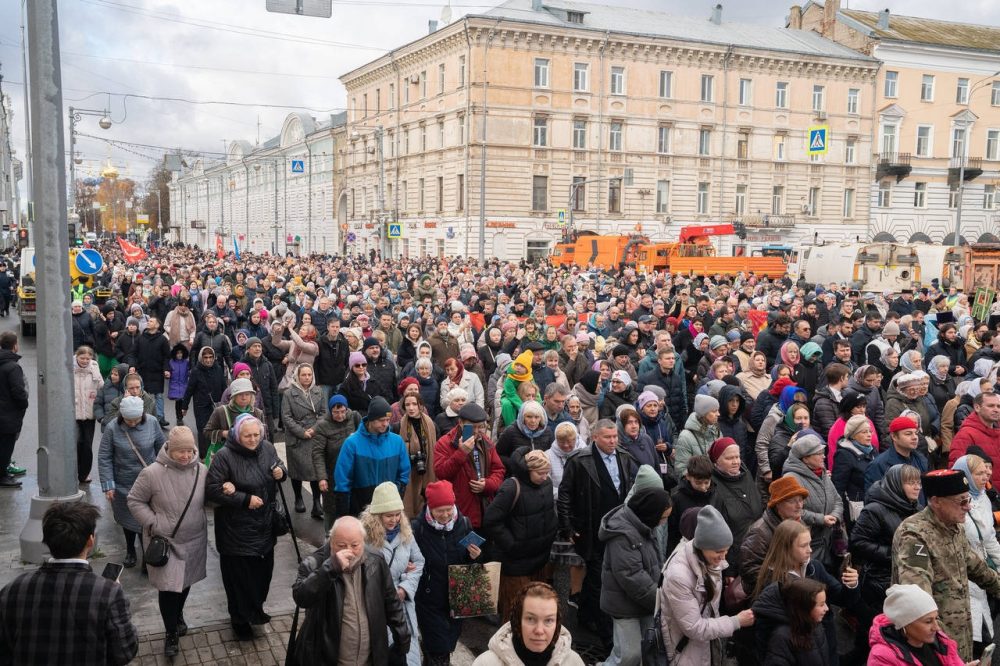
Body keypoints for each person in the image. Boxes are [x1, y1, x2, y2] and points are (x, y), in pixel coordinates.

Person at [0, 502, 138, 664]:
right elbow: (125, 652)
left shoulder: (13, 589)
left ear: (46, 540)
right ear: (90, 541)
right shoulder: (108, 593)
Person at [892, 468, 1000, 661]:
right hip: (934, 642)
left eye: (969, 499)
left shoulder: (954, 526)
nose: (968, 507)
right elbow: (918, 598)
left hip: (960, 634)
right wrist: (941, 646)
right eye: (962, 501)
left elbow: (977, 568)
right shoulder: (914, 535)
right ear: (936, 502)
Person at [126, 426, 208, 657]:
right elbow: (134, 500)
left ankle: (178, 615)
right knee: (168, 589)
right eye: (180, 451)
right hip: (166, 542)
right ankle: (170, 632)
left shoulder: (201, 471)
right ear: (169, 450)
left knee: (184, 584)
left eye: (189, 451)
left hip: (193, 539)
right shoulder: (152, 473)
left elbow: (209, 500)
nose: (185, 456)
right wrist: (153, 523)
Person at [204, 413, 287, 641]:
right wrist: (243, 499)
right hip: (235, 532)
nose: (253, 439)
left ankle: (255, 610)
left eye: (256, 435)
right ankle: (240, 620)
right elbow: (212, 489)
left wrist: (281, 472)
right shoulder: (224, 457)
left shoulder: (268, 448)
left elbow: (277, 466)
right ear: (236, 435)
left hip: (264, 526)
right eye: (247, 435)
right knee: (240, 581)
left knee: (263, 576)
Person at [557, 418, 638, 645]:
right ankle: (604, 631)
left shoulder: (623, 456)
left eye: (615, 437)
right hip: (590, 528)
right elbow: (565, 494)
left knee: (604, 575)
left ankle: (585, 614)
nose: (613, 441)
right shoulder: (579, 460)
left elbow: (628, 489)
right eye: (607, 437)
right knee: (597, 577)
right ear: (595, 437)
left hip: (617, 527)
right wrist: (567, 527)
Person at [291, 514, 411, 665]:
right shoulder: (314, 563)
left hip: (370, 659)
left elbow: (392, 602)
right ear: (331, 541)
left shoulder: (376, 560)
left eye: (355, 545)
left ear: (363, 541)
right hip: (331, 659)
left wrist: (402, 640)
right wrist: (330, 568)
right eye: (341, 546)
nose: (349, 551)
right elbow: (301, 597)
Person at [751, 520, 859, 666]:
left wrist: (851, 585)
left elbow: (843, 598)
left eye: (810, 543)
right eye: (803, 546)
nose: (810, 550)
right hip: (796, 654)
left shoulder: (815, 567)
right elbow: (765, 632)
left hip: (824, 643)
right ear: (786, 548)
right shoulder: (772, 581)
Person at [660, 505, 755, 666]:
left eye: (726, 550)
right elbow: (694, 627)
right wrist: (735, 621)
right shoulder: (679, 575)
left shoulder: (709, 560)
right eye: (719, 551)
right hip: (684, 649)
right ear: (702, 546)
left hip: (705, 643)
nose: (723, 557)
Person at [599, 485, 671, 666]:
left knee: (644, 650)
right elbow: (631, 577)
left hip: (644, 601)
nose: (663, 522)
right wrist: (661, 599)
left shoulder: (644, 524)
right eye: (662, 518)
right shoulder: (623, 535)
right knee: (628, 656)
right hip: (624, 604)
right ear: (650, 513)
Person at [482, 449, 558, 620]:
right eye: (540, 473)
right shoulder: (511, 487)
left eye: (547, 472)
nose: (545, 477)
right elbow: (491, 521)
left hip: (540, 560)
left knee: (535, 610)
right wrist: (512, 545)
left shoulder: (546, 483)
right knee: (515, 611)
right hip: (515, 563)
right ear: (528, 470)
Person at [413, 480, 482, 665]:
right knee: (439, 647)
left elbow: (468, 563)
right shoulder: (417, 528)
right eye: (439, 511)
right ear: (430, 508)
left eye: (448, 509)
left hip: (457, 597)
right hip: (429, 597)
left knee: (448, 642)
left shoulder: (464, 523)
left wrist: (474, 557)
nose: (445, 515)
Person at [360, 482, 425, 666]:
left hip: (402, 608)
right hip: (375, 607)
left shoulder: (406, 533)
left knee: (406, 656)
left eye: (398, 514)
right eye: (389, 515)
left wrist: (404, 587)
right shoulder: (363, 537)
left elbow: (419, 562)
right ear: (377, 514)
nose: (394, 520)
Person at [99, 395, 166, 570]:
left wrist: (166, 472)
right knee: (127, 519)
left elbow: (162, 448)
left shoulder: (152, 423)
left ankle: (147, 555)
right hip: (123, 484)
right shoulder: (112, 428)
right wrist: (108, 485)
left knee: (146, 521)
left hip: (149, 483)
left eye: (135, 420)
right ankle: (130, 550)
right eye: (128, 420)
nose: (132, 423)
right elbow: (104, 456)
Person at [849, 464, 921, 610]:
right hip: (880, 581)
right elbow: (858, 542)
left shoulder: (916, 508)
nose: (917, 487)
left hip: (911, 578)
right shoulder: (874, 510)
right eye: (910, 483)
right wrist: (893, 553)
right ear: (896, 484)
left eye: (918, 482)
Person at [951, 454, 1000, 657]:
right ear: (966, 476)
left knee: (984, 636)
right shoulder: (953, 503)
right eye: (979, 473)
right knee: (973, 638)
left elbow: (989, 538)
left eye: (986, 472)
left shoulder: (983, 497)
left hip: (984, 573)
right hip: (963, 577)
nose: (985, 476)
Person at [472, 581, 586, 666]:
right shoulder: (487, 663)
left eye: (548, 620)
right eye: (531, 619)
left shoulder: (573, 662)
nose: (539, 630)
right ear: (516, 622)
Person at [335, 396, 411, 517]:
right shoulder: (352, 443)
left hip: (388, 508)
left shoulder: (397, 442)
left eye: (388, 419)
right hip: (360, 509)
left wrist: (396, 496)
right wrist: (344, 514)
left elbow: (404, 474)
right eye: (381, 420)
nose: (386, 424)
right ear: (371, 419)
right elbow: (342, 480)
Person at [433, 402, 505, 529]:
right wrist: (462, 453)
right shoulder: (444, 443)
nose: (477, 432)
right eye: (472, 427)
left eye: (480, 427)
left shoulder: (485, 441)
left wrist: (487, 484)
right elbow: (441, 473)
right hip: (461, 511)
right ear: (460, 423)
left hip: (484, 508)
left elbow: (499, 470)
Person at [740, 475, 810, 597]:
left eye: (800, 500)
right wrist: (786, 582)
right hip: (770, 595)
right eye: (792, 501)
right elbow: (749, 570)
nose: (799, 505)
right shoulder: (760, 532)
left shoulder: (799, 523)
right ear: (778, 504)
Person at [867, 584, 965, 666]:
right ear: (905, 623)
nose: (937, 627)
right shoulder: (882, 656)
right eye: (928, 621)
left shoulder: (940, 642)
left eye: (936, 618)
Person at [708, 437, 762, 579]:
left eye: (737, 457)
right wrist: (729, 569)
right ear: (717, 461)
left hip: (756, 553)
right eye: (729, 458)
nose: (736, 462)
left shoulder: (746, 475)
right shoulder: (713, 486)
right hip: (732, 560)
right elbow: (718, 532)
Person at [282, 362, 326, 518]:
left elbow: (323, 413)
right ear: (297, 376)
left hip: (314, 435)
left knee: (315, 471)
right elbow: (286, 417)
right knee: (297, 470)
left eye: (309, 374)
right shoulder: (289, 394)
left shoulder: (318, 391)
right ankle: (298, 498)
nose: (307, 378)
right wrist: (301, 432)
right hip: (297, 437)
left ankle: (316, 502)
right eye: (303, 375)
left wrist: (314, 429)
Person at [312, 394, 362, 531]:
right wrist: (322, 477)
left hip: (354, 473)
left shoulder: (355, 417)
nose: (340, 415)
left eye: (342, 411)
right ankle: (329, 541)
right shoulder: (322, 426)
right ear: (330, 411)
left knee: (354, 508)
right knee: (331, 511)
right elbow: (318, 453)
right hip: (333, 474)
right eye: (336, 412)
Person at [760, 578, 830, 666]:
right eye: (821, 604)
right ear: (804, 607)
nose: (826, 608)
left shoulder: (815, 624)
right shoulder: (781, 638)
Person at [393, 393, 438, 517]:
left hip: (428, 470)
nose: (411, 408)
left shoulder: (431, 424)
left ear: (420, 406)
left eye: (414, 404)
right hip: (409, 473)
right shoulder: (398, 426)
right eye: (407, 404)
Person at [181, 346, 227, 458]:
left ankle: (219, 455)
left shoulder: (218, 369)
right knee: (203, 432)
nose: (208, 360)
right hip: (201, 407)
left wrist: (226, 403)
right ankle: (204, 457)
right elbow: (189, 389)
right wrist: (184, 406)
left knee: (218, 430)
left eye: (211, 357)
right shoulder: (196, 371)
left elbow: (224, 387)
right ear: (201, 358)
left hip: (217, 406)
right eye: (205, 357)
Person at [865, 416, 929, 492]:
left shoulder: (921, 460)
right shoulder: (878, 465)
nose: (915, 437)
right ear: (894, 437)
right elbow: (874, 497)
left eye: (916, 433)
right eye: (908, 434)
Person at [949, 391, 1000, 485]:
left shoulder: (997, 431)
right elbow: (957, 471)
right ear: (977, 407)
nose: (996, 410)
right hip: (982, 495)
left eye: (998, 406)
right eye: (991, 406)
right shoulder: (965, 435)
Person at [73, 346, 104, 484]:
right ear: (77, 357)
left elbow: (101, 387)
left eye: (88, 358)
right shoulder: (69, 368)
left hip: (89, 414)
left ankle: (84, 474)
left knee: (87, 445)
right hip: (72, 414)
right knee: (76, 443)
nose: (85, 360)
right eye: (82, 358)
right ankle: (73, 471)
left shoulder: (95, 369)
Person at [674, 394, 721, 477]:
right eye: (714, 411)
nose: (718, 414)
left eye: (718, 410)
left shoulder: (716, 430)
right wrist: (701, 482)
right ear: (704, 414)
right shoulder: (686, 437)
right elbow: (682, 470)